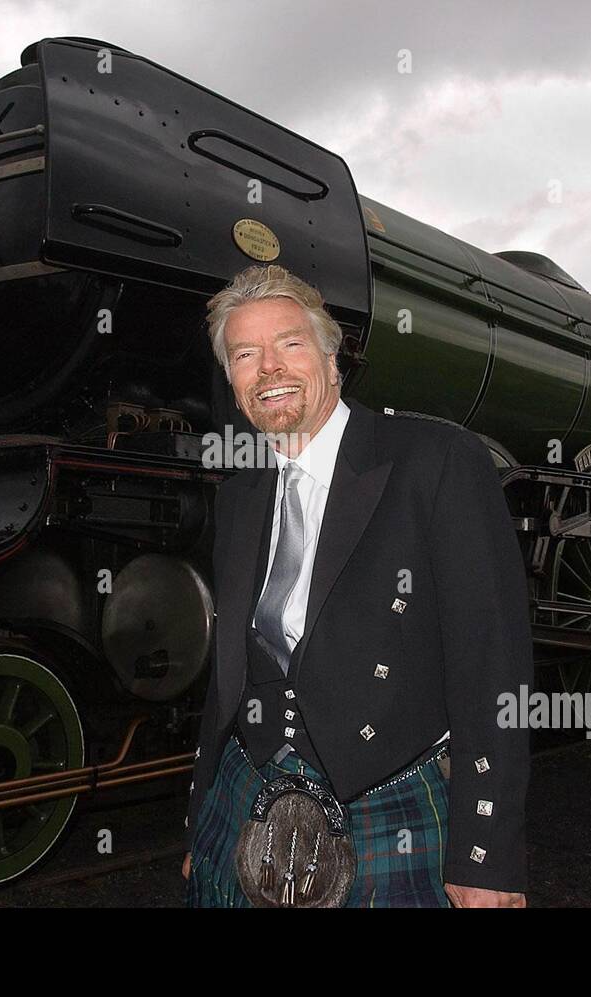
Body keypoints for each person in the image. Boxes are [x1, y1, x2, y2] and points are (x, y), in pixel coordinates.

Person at [183, 264, 532, 907]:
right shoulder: (238, 496)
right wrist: (199, 815)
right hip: (244, 799)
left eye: (289, 343)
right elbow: (228, 679)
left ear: (330, 353)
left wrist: (486, 855)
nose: (269, 369)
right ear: (232, 382)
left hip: (391, 801)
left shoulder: (437, 459)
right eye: (245, 354)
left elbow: (493, 666)